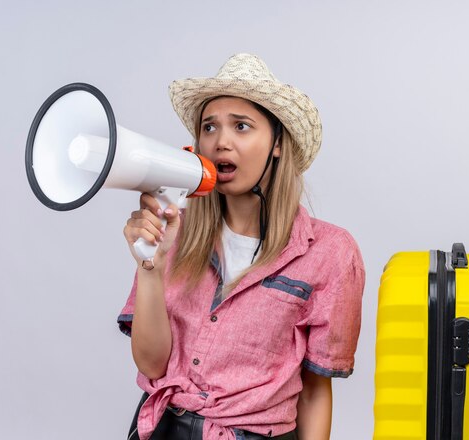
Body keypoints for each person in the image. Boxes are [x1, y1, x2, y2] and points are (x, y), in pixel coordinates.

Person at [118, 53, 365, 440]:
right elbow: (152, 366)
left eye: (242, 126)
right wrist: (150, 267)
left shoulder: (330, 252)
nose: (221, 141)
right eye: (210, 127)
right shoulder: (173, 233)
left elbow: (315, 392)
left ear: (278, 144)